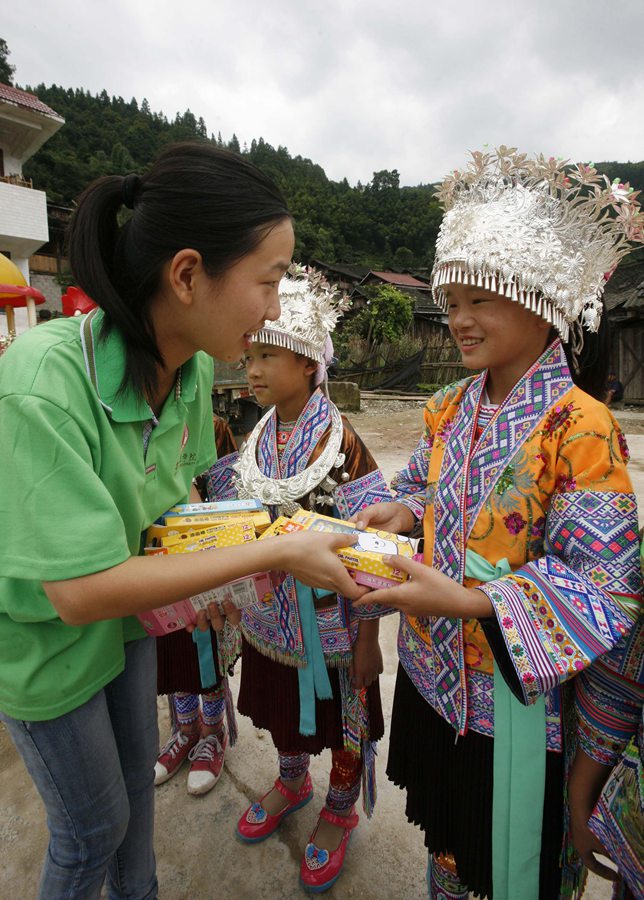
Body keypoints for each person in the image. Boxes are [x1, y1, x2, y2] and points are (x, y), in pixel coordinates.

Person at [0, 143, 368, 900]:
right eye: (267, 281)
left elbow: (180, 509)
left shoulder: (194, 369)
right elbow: (78, 592)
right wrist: (275, 547)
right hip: (47, 646)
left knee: (135, 797)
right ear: (188, 275)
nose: (274, 309)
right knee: (90, 830)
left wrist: (234, 555)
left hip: (130, 627)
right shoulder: (41, 386)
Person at [352, 148, 644, 899]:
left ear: (538, 300)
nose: (458, 320)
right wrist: (405, 509)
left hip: (518, 705)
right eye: (451, 302)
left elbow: (607, 587)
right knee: (449, 842)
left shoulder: (582, 426)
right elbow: (424, 486)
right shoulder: (447, 407)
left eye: (479, 299)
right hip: (432, 675)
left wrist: (473, 601)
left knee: (512, 864)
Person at [211, 266, 391, 893]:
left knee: (343, 720)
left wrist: (368, 636)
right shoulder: (257, 438)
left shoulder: (343, 444)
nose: (252, 370)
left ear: (310, 362)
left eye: (268, 356)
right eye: (250, 356)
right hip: (270, 618)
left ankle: (339, 810)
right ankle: (292, 781)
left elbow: (371, 552)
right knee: (284, 711)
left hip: (332, 625)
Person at [154, 415, 239, 796]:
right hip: (152, 567)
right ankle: (185, 729)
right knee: (170, 651)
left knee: (205, 648)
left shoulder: (212, 427)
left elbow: (230, 504)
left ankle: (212, 731)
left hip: (203, 565)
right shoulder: (129, 427)